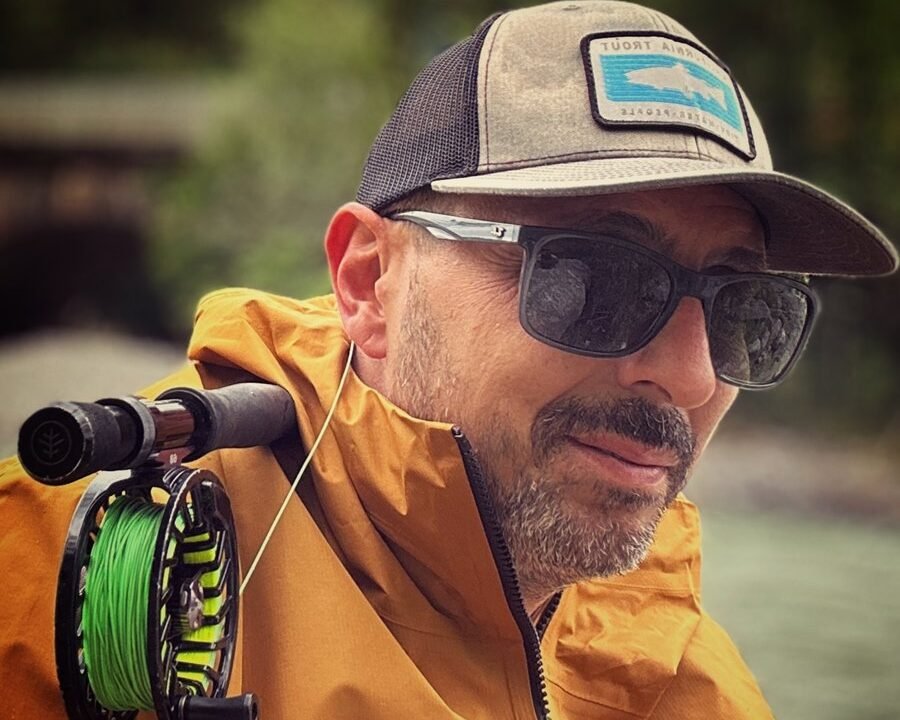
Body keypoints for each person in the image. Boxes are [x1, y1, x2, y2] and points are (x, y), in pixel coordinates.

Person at [1, 1, 896, 719]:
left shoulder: (684, 679)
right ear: (369, 282)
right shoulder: (32, 588)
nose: (694, 377)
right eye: (594, 279)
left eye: (747, 308)